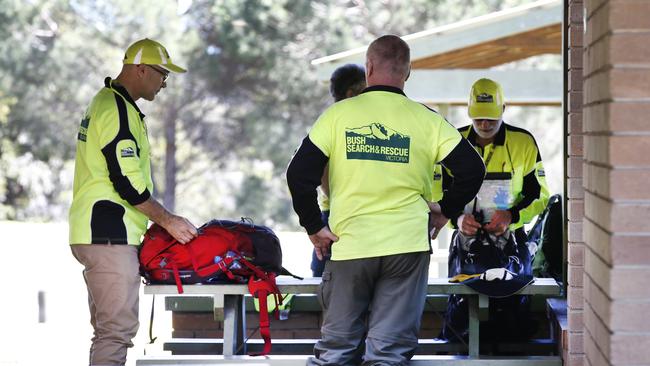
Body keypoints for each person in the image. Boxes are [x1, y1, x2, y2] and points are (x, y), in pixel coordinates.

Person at [287, 35, 485, 366]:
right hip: (406, 247)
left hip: (350, 244)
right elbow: (472, 169)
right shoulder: (426, 119)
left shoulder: (338, 116)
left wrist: (314, 227)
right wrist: (444, 212)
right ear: (407, 73)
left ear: (368, 68)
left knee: (336, 350)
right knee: (388, 354)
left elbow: (298, 174)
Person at [69, 38, 198, 366]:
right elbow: (126, 182)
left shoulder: (109, 102)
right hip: (108, 234)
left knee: (107, 330)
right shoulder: (116, 109)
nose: (164, 83)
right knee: (116, 331)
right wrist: (168, 220)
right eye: (162, 74)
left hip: (98, 232)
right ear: (141, 70)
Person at [439, 77, 550, 342]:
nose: (485, 125)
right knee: (463, 309)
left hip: (510, 242)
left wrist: (512, 216)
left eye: (491, 119)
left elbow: (541, 195)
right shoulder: (452, 142)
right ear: (470, 113)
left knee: (510, 311)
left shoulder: (523, 143)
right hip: (467, 244)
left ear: (503, 110)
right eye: (479, 120)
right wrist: (457, 218)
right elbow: (437, 194)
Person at [311, 63, 366, 277]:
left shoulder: (341, 120)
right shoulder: (336, 121)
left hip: (349, 210)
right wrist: (340, 199)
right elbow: (321, 170)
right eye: (365, 89)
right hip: (337, 213)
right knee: (327, 275)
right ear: (351, 93)